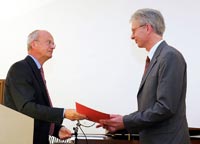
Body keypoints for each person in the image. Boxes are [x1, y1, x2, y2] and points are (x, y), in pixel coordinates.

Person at [97, 8, 190, 144]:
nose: (131, 36)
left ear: (147, 28)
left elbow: (165, 107)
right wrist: (122, 122)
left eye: (133, 30)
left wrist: (125, 121)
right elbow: (151, 108)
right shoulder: (158, 58)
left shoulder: (169, 56)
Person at [4, 30, 86, 144]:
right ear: (34, 44)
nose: (53, 46)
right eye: (49, 42)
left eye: (53, 43)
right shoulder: (19, 68)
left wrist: (56, 129)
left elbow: (38, 110)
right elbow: (26, 108)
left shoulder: (36, 70)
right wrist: (64, 113)